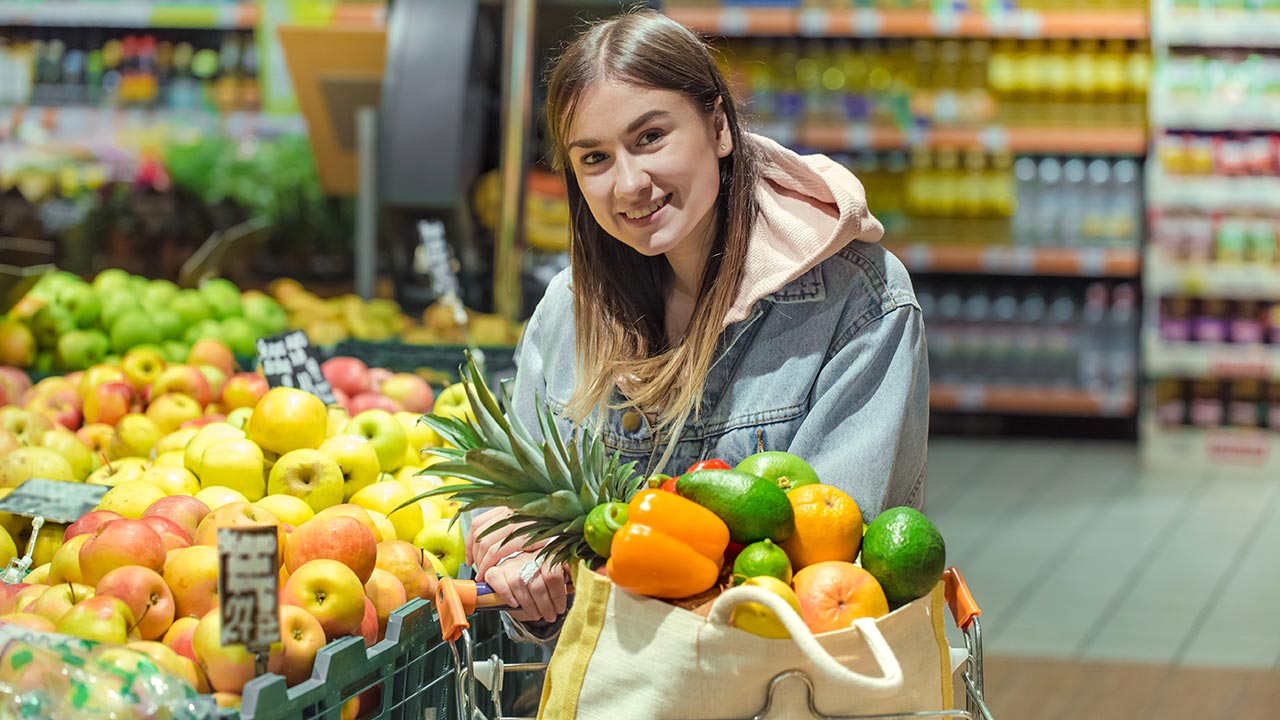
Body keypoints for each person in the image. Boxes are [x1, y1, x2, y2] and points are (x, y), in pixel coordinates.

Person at [467, 9, 928, 640]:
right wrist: (508, 552)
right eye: (595, 157)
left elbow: (830, 566)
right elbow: (520, 515)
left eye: (651, 137)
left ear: (718, 127)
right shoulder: (568, 311)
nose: (629, 182)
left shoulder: (857, 301)